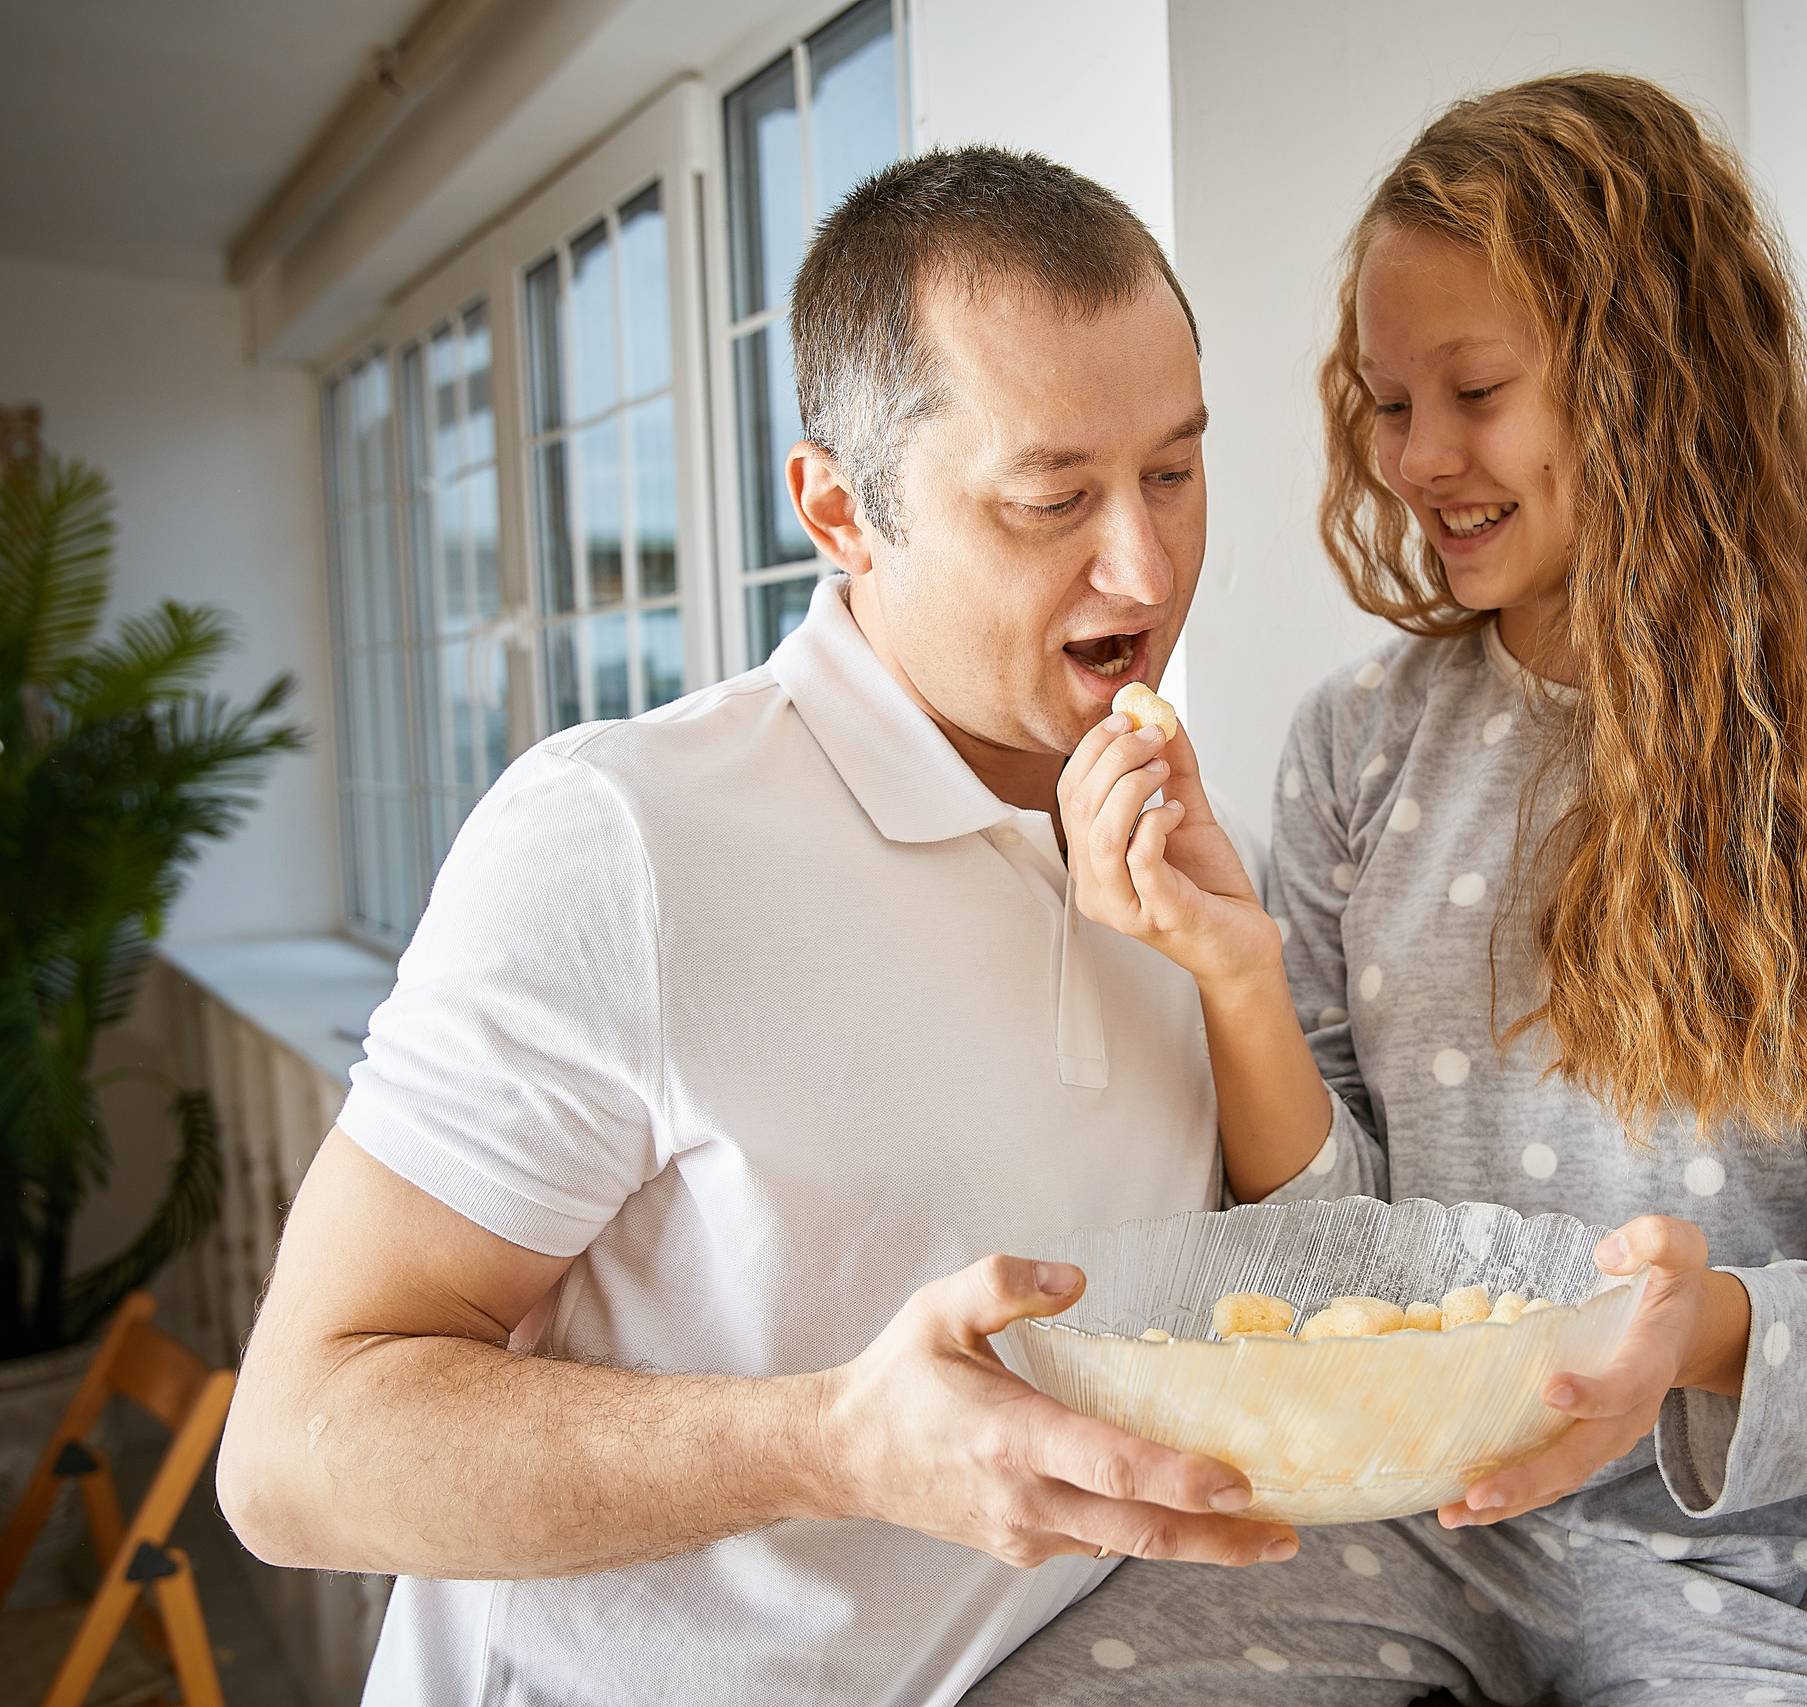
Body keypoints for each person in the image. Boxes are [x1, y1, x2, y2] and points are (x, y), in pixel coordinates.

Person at [971, 74, 1807, 1705]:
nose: (1417, 460)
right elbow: (1332, 1263)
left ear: (1655, 388)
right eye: (1385, 402)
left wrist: (1693, 1338)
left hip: (1784, 1563)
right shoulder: (1357, 743)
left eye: (1473, 390)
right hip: (1406, 1527)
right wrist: (1238, 976)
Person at [215, 148, 1301, 1707]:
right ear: (838, 512)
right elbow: (298, 1455)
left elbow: (1302, 1279)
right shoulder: (619, 839)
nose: (1146, 565)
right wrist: (832, 1446)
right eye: (1053, 498)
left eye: (1177, 472)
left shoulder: (1171, 837)